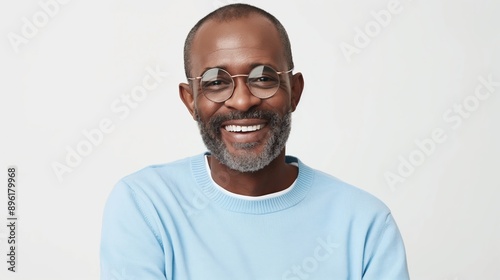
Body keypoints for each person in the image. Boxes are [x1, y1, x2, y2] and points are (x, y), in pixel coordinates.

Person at [100, 3, 410, 280]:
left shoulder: (365, 224)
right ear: (190, 100)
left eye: (263, 78)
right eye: (216, 83)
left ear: (295, 91)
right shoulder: (146, 205)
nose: (242, 100)